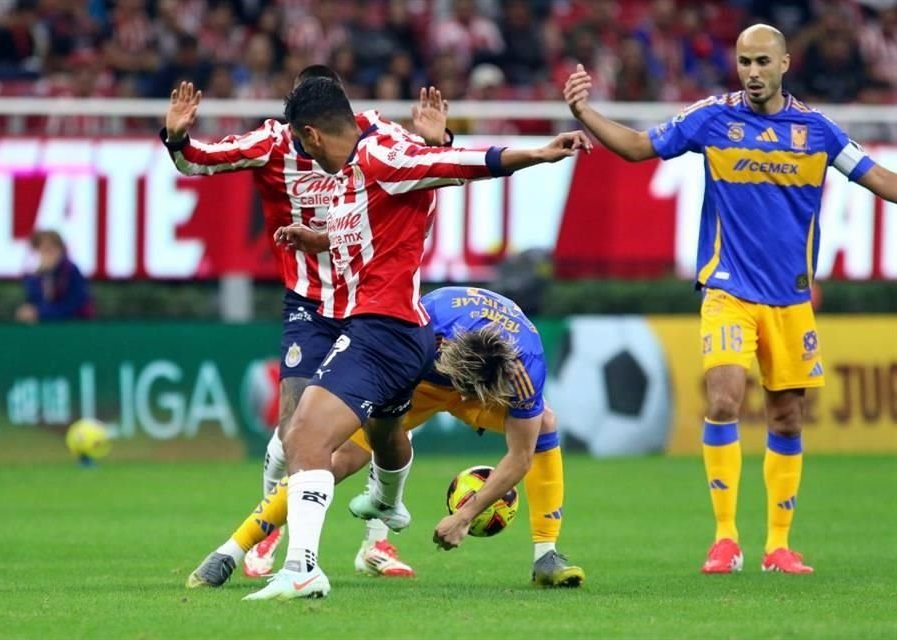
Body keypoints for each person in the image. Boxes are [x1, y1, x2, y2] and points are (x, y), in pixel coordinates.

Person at [564, 24, 897, 575]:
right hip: (728, 290)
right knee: (722, 400)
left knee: (787, 418)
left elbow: (879, 177)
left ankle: (779, 546)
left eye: (763, 61)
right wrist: (585, 114)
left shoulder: (817, 131)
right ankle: (725, 539)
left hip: (789, 301)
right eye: (744, 61)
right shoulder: (712, 117)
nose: (752, 72)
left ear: (786, 63)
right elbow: (639, 148)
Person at [241, 77, 589, 600]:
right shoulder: (359, 171)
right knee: (323, 440)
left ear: (310, 136)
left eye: (297, 144)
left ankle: (296, 559)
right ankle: (362, 520)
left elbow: (465, 166)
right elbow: (382, 217)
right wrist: (320, 236)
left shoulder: (379, 158)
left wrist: (536, 153)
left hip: (387, 333)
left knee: (307, 438)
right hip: (411, 346)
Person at [164, 67, 451, 581]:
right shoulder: (274, 144)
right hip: (311, 304)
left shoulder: (377, 136)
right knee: (295, 428)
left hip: (373, 300)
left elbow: (433, 169)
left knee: (382, 430)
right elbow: (196, 164)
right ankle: (269, 534)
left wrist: (440, 140)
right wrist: (179, 135)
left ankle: (377, 539)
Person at [195, 286, 589, 590]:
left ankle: (546, 556)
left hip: (478, 380)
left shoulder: (525, 369)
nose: (464, 401)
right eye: (464, 389)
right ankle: (231, 550)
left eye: (471, 395)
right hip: (417, 379)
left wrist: (464, 516)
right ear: (447, 349)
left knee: (545, 424)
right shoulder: (425, 323)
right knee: (336, 457)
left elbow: (520, 457)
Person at [16, 230, 93, 323]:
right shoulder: (33, 275)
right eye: (43, 249)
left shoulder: (71, 271)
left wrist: (41, 313)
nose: (47, 254)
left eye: (51, 248)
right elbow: (34, 300)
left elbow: (73, 305)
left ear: (60, 249)